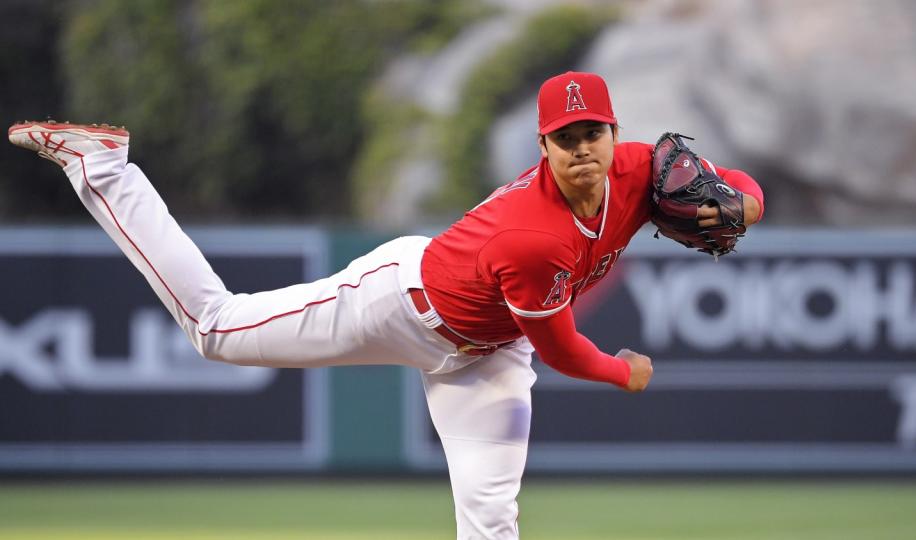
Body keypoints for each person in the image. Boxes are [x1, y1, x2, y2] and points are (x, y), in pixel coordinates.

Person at [8, 71, 763, 539]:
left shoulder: (640, 168)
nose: (582, 151)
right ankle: (105, 169)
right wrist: (618, 372)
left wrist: (747, 208)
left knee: (492, 518)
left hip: (488, 357)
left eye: (591, 133)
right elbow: (565, 348)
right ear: (543, 145)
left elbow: (738, 183)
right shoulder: (534, 237)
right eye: (565, 140)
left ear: (614, 131)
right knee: (215, 330)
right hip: (402, 303)